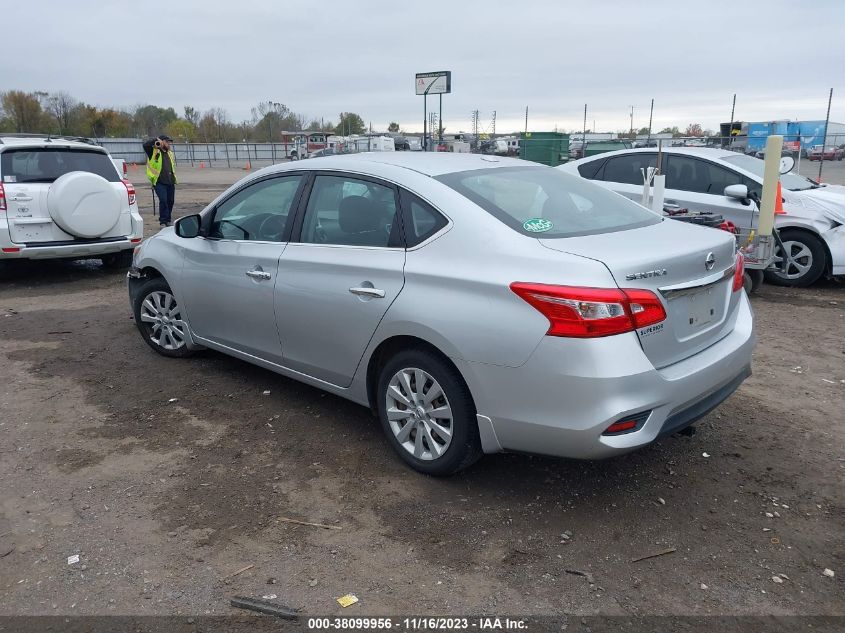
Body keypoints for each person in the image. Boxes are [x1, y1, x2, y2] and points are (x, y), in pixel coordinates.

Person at [143, 135, 177, 227]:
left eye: (169, 142)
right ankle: (163, 221)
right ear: (162, 142)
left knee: (170, 201)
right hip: (159, 182)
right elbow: (145, 145)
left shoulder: (170, 153)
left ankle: (168, 220)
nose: (169, 143)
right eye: (167, 142)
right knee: (163, 200)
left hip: (170, 181)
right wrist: (156, 140)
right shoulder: (153, 152)